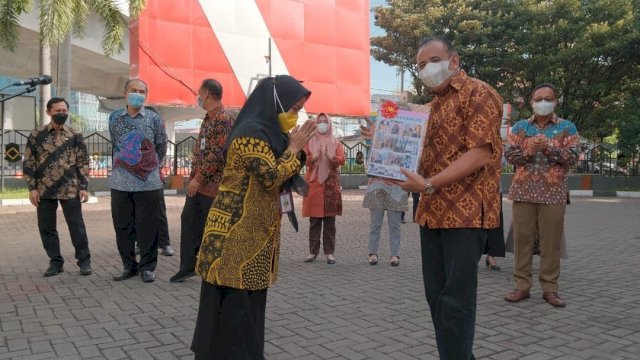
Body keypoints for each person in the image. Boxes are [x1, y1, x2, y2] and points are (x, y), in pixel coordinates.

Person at [364, 36, 503, 359]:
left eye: (434, 60)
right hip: (432, 212)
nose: (427, 69)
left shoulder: (479, 93)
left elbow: (480, 153)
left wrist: (429, 184)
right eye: (421, 65)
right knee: (438, 298)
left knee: (456, 300)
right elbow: (413, 155)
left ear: (454, 61)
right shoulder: (430, 107)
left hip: (465, 215)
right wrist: (383, 139)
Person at [191, 75, 315, 359]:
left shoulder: (269, 134)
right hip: (235, 238)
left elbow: (281, 171)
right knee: (233, 309)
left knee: (245, 310)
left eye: (298, 109)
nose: (295, 116)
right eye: (293, 108)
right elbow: (271, 177)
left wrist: (293, 149)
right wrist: (294, 149)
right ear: (275, 103)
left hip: (253, 237)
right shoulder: (250, 134)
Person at [503, 83, 579, 308]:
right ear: (531, 102)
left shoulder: (567, 127)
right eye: (539, 99)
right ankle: (522, 286)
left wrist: (547, 148)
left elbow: (573, 157)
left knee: (551, 243)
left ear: (555, 101)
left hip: (554, 194)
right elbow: (510, 156)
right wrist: (529, 149)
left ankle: (550, 289)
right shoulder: (519, 127)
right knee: (522, 241)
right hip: (523, 192)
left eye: (548, 98)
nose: (543, 103)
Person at [170, 79, 235, 283]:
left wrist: (199, 178)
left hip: (211, 186)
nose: (198, 96)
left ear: (206, 93)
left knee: (213, 228)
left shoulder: (223, 119)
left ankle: (217, 268)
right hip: (197, 185)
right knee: (189, 221)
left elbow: (218, 153)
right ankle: (188, 266)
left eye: (199, 92)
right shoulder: (208, 119)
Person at [23, 97, 92, 277]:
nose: (62, 114)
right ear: (48, 112)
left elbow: (83, 161)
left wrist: (83, 185)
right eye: (57, 111)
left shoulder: (75, 134)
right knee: (47, 227)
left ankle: (84, 261)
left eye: (64, 111)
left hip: (70, 187)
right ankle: (55, 262)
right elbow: (29, 162)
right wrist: (32, 188)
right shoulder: (37, 135)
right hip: (44, 189)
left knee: (76, 226)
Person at [109, 78, 168, 283]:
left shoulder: (153, 118)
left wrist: (150, 166)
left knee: (148, 227)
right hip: (120, 182)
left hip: (148, 183)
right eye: (134, 90)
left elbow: (161, 146)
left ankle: (148, 267)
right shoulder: (114, 118)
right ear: (125, 93)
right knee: (123, 226)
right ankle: (129, 266)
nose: (138, 94)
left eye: (142, 91)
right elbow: (116, 144)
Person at [302, 113, 345, 264]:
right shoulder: (309, 141)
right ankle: (312, 252)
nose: (321, 124)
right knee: (314, 221)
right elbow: (301, 158)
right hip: (314, 186)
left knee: (329, 221)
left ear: (329, 124)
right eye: (319, 122)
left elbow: (342, 159)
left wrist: (330, 157)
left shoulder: (336, 142)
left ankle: (329, 252)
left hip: (330, 187)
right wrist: (312, 158)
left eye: (324, 122)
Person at [363, 179, 407, 266]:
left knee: (395, 225)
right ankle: (373, 253)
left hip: (396, 187)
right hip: (377, 187)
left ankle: (395, 254)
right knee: (375, 225)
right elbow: (362, 165)